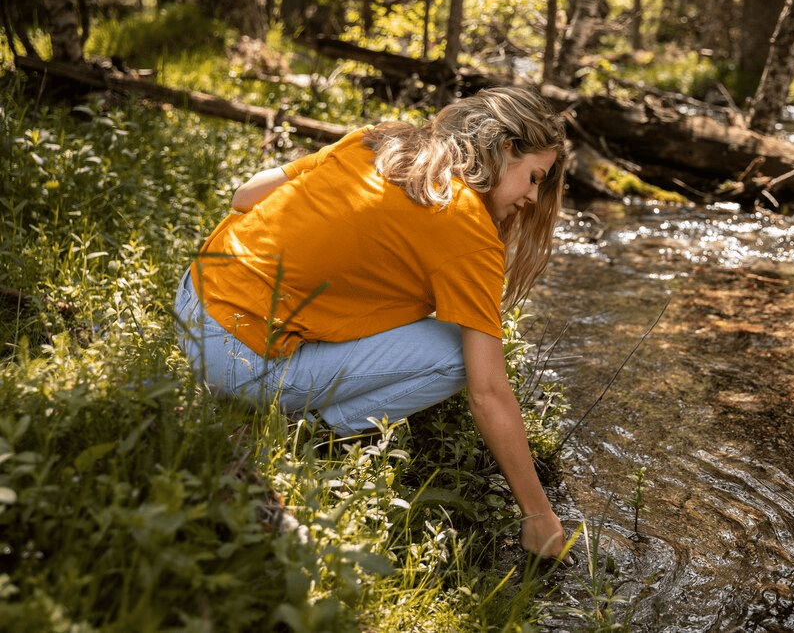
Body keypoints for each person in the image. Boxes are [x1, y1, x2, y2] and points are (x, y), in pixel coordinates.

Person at [174, 86, 569, 559]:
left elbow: (245, 195)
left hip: (193, 300)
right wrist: (538, 514)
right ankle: (306, 433)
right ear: (505, 148)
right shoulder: (467, 227)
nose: (531, 196)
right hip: (232, 359)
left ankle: (275, 399)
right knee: (455, 355)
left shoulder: (380, 139)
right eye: (534, 177)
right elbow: (488, 392)